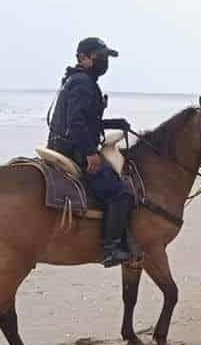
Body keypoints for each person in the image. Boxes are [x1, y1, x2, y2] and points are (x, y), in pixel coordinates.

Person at [47, 37, 136, 267]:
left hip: (66, 143)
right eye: (99, 57)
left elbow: (87, 121)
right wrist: (89, 153)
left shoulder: (78, 80)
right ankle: (111, 248)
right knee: (120, 191)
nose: (104, 61)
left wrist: (115, 123)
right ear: (83, 58)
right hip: (74, 148)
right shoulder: (83, 83)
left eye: (106, 57)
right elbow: (76, 123)